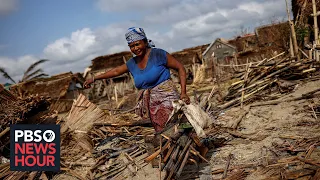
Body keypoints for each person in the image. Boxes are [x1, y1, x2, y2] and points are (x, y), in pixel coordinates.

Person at [84, 27, 190, 132]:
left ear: (144, 42)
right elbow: (116, 71)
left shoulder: (158, 54)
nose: (135, 48)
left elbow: (180, 67)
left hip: (167, 98)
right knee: (162, 131)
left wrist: (183, 92)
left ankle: (190, 135)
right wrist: (94, 78)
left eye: (137, 44)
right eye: (131, 46)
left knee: (177, 127)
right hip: (150, 103)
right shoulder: (132, 63)